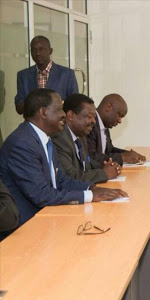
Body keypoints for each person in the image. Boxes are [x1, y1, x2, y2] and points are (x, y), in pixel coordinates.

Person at [0, 89, 127, 228]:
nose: (63, 114)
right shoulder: (22, 143)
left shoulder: (45, 138)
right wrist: (89, 196)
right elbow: (41, 194)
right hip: (26, 225)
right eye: (60, 109)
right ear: (43, 112)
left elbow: (60, 180)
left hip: (49, 215)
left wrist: (91, 188)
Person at [53, 94, 122, 184]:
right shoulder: (60, 138)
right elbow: (70, 176)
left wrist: (107, 166)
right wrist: (104, 173)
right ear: (70, 115)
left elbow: (87, 165)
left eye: (94, 117)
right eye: (89, 117)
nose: (94, 121)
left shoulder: (81, 136)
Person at [15, 36, 78, 115]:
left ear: (50, 51)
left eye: (42, 49)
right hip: (34, 125)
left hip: (59, 124)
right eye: (34, 50)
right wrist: (36, 102)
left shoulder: (67, 74)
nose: (38, 53)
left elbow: (75, 105)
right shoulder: (23, 76)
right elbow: (19, 108)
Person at [87, 94, 145, 165]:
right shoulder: (90, 124)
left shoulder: (104, 125)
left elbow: (109, 150)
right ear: (108, 107)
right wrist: (122, 157)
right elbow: (91, 157)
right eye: (119, 115)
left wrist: (128, 154)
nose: (120, 121)